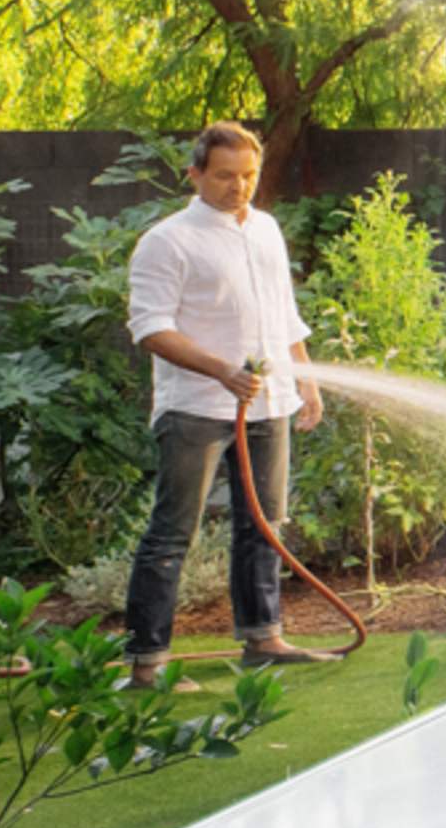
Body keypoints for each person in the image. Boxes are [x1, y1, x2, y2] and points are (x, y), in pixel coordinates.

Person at [122, 121, 330, 688]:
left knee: (264, 525)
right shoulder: (167, 241)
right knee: (171, 534)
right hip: (195, 407)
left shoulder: (265, 230)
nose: (238, 187)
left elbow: (283, 314)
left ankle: (263, 638)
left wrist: (304, 380)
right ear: (194, 174)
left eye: (248, 176)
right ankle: (147, 663)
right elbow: (150, 328)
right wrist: (222, 371)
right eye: (224, 176)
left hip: (269, 406)